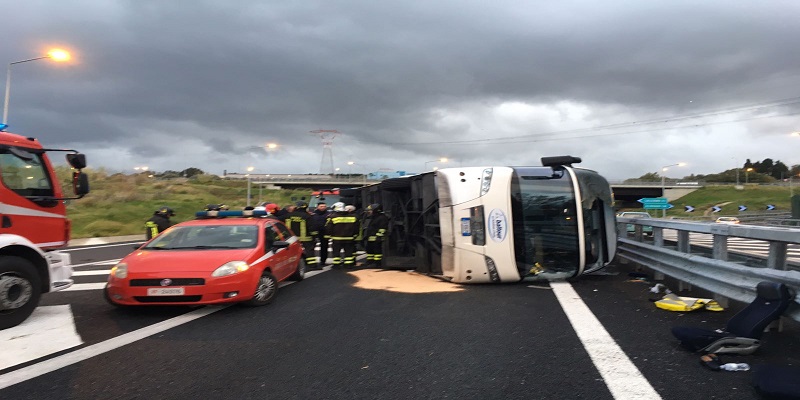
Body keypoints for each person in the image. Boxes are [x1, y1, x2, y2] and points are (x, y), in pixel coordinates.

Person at [325, 202, 360, 268]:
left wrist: (328, 235)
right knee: (348, 252)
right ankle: (348, 264)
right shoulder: (352, 217)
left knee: (336, 252)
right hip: (349, 238)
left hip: (337, 238)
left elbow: (328, 227)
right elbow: (356, 227)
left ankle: (336, 265)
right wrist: (355, 234)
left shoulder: (332, 217)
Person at [285, 200, 317, 268]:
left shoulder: (289, 215)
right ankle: (312, 265)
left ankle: (292, 265)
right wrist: (315, 236)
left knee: (292, 251)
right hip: (306, 237)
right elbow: (311, 227)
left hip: (292, 238)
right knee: (309, 251)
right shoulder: (307, 216)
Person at [363, 203, 389, 267]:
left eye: (370, 210)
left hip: (377, 238)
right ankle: (370, 261)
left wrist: (378, 237)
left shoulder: (382, 218)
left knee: (377, 251)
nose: (369, 212)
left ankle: (377, 263)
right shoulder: (374, 217)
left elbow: (382, 228)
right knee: (369, 249)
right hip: (371, 238)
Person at [309, 201, 331, 266]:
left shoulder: (329, 214)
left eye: (324, 206)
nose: (323, 208)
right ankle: (311, 262)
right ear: (317, 207)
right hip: (314, 233)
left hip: (325, 233)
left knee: (324, 247)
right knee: (311, 247)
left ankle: (323, 261)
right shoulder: (313, 214)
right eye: (321, 206)